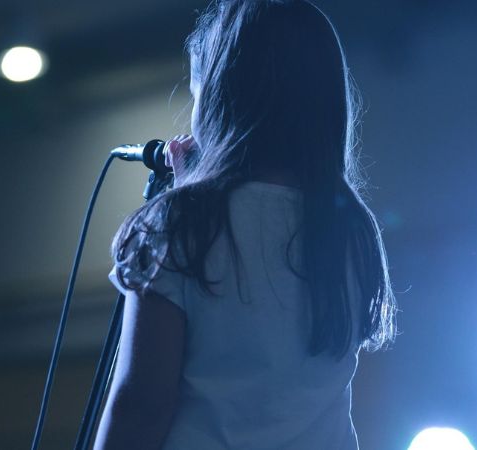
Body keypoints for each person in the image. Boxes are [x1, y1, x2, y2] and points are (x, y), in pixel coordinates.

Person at [94, 1, 396, 449]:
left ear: (220, 100)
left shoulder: (178, 225)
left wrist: (182, 199)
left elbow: (143, 404)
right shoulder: (350, 228)